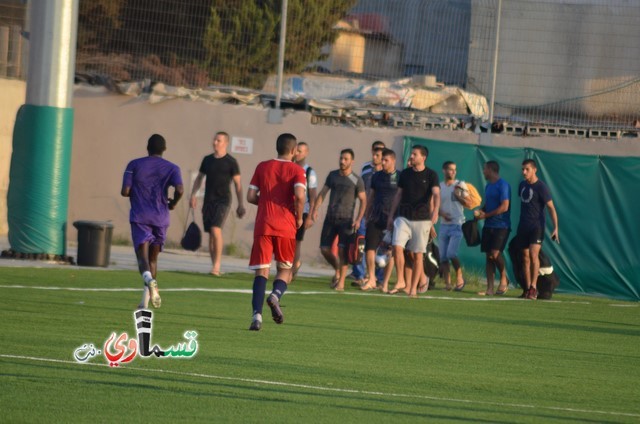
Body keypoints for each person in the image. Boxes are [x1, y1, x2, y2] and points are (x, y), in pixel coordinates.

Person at [246, 133, 306, 331]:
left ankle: (256, 317)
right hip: (286, 227)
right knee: (285, 269)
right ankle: (275, 296)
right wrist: (298, 217)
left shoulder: (262, 167)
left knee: (261, 271)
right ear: (293, 150)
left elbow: (250, 196)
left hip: (263, 225)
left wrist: (264, 202)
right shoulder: (297, 170)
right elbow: (299, 195)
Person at [121, 134, 184, 310]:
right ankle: (144, 303)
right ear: (164, 150)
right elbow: (180, 189)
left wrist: (135, 192)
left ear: (147, 147)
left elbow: (125, 191)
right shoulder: (172, 168)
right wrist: (173, 203)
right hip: (161, 217)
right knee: (153, 259)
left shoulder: (134, 165)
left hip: (141, 216)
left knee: (143, 258)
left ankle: (149, 281)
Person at [387, 145, 440, 297]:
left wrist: (435, 212)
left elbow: (436, 195)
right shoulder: (405, 174)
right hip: (403, 217)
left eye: (414, 154)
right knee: (397, 247)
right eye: (411, 154)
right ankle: (401, 281)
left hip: (422, 220)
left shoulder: (431, 175)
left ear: (423, 157)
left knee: (417, 255)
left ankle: (413, 289)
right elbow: (398, 195)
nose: (411, 156)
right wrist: (391, 215)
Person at [309, 149, 366, 291]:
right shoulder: (333, 175)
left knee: (342, 251)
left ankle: (340, 283)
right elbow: (322, 193)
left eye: (346, 159)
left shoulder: (356, 180)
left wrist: (359, 219)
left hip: (346, 220)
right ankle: (338, 270)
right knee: (324, 249)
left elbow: (364, 200)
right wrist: (315, 209)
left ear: (352, 161)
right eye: (341, 158)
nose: (342, 161)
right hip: (330, 218)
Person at [190, 131, 246, 276]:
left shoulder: (231, 162)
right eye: (214, 140)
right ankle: (214, 266)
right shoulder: (207, 160)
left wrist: (241, 204)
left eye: (219, 140)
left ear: (226, 143)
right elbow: (199, 178)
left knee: (216, 229)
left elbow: (238, 184)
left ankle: (217, 264)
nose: (215, 142)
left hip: (224, 200)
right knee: (210, 233)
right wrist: (193, 195)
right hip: (208, 200)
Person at [514, 159, 559, 300]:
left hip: (537, 227)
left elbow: (551, 208)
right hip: (523, 227)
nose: (524, 172)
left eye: (527, 169)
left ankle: (534, 287)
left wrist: (556, 228)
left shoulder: (541, 187)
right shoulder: (521, 185)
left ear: (535, 170)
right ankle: (527, 289)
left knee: (534, 256)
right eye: (522, 169)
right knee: (525, 258)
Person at [362, 148, 398, 291]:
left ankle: (385, 282)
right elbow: (371, 195)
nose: (382, 162)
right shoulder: (376, 176)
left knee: (392, 251)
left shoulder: (400, 176)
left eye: (386, 160)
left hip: (393, 219)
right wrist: (366, 213)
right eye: (382, 159)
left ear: (393, 161)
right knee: (369, 248)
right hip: (376, 217)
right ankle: (371, 279)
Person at [350, 140, 386, 283]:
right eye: (376, 150)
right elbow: (360, 188)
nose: (378, 153)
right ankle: (360, 275)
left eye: (381, 150)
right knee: (361, 242)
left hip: (381, 213)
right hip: (366, 211)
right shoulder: (365, 167)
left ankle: (379, 276)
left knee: (380, 245)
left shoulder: (386, 171)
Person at [474, 160, 511, 296]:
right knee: (489, 257)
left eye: (485, 169)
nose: (483, 172)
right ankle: (489, 288)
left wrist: (486, 215)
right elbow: (488, 205)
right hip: (488, 225)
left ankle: (503, 278)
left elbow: (504, 206)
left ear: (490, 169)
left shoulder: (503, 185)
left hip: (501, 225)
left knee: (495, 253)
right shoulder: (488, 186)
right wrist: (481, 211)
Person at [438, 161, 471, 291]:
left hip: (457, 224)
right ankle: (448, 284)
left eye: (454, 170)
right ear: (444, 171)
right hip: (444, 225)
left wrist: (459, 196)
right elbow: (435, 206)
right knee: (443, 257)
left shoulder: (460, 185)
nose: (453, 172)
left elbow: (469, 203)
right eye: (450, 169)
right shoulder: (440, 186)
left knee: (451, 254)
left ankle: (459, 277)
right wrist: (441, 214)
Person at [293, 141, 318, 279]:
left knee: (296, 241)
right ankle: (290, 265)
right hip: (289, 209)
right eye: (296, 150)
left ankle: (293, 268)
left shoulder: (309, 172)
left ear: (306, 153)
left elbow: (313, 195)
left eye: (300, 151)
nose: (297, 153)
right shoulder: (290, 167)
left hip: (303, 210)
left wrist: (310, 216)